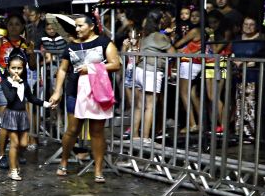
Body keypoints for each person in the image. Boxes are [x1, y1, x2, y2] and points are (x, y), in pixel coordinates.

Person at [48, 14, 122, 183]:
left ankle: (98, 170)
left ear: (91, 26)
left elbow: (115, 64)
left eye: (81, 25)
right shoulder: (71, 45)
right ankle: (64, 161)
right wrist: (57, 91)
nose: (77, 29)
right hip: (74, 91)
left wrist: (91, 68)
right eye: (76, 26)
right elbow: (62, 69)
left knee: (96, 132)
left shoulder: (104, 42)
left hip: (98, 92)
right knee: (72, 129)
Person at [0, 14, 37, 170]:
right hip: (1, 84)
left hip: (19, 86)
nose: (14, 27)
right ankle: (2, 154)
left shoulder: (26, 44)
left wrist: (31, 52)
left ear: (22, 27)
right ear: (7, 26)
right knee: (7, 120)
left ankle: (17, 152)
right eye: (11, 24)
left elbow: (33, 66)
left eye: (17, 24)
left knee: (19, 119)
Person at [0, 53, 40, 181]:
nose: (16, 71)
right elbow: (10, 99)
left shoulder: (24, 83)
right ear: (8, 68)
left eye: (19, 68)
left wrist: (46, 104)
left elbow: (31, 98)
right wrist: (15, 85)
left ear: (23, 69)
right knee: (14, 143)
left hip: (22, 115)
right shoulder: (5, 83)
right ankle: (13, 170)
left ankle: (15, 162)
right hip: (11, 115)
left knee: (24, 144)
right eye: (13, 68)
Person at [131, 12, 172, 143]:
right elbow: (173, 53)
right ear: (159, 22)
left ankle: (135, 135)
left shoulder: (145, 35)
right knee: (150, 106)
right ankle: (145, 137)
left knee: (139, 105)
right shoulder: (160, 36)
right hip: (151, 71)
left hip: (140, 70)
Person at [231, 16, 265, 143]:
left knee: (252, 105)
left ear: (256, 26)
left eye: (251, 24)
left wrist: (250, 63)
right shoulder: (237, 39)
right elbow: (232, 54)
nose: (248, 27)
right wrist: (235, 61)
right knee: (239, 105)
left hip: (255, 76)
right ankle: (240, 133)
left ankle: (252, 134)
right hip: (239, 76)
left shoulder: (262, 39)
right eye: (245, 24)